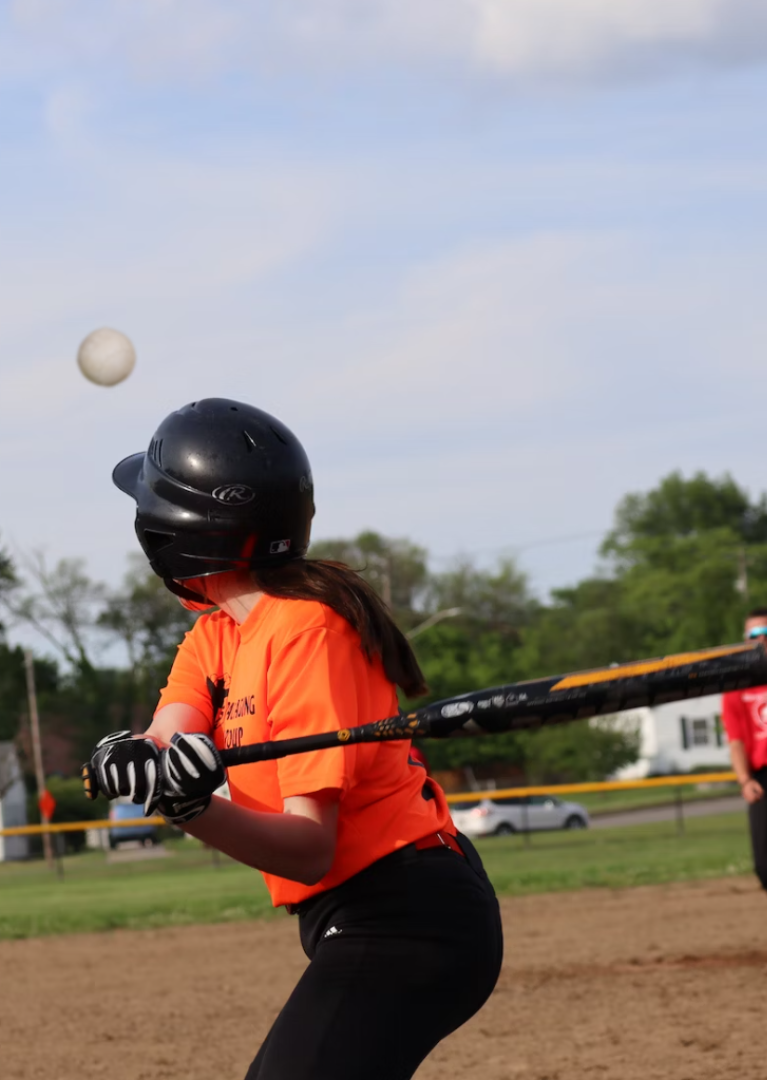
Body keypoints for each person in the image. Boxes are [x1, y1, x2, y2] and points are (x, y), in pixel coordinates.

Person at [89, 398, 503, 1079]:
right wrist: (134, 760)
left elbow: (309, 850)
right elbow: (167, 735)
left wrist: (191, 808)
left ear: (173, 533)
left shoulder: (309, 632)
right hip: (361, 916)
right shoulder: (216, 635)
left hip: (410, 916)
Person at [721, 607, 767, 893]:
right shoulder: (736, 685)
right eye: (754, 634)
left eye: (766, 633)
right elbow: (735, 740)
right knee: (764, 863)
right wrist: (744, 780)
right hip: (761, 777)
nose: (761, 639)